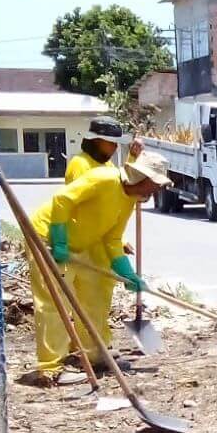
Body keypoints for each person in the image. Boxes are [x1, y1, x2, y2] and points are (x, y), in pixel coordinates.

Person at [26, 151, 172, 385]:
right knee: (55, 303)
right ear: (139, 177)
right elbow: (62, 200)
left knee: (94, 296)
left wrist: (127, 273)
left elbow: (113, 238)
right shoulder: (104, 178)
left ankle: (94, 355)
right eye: (153, 184)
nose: (155, 191)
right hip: (48, 238)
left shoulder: (129, 199)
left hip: (82, 242)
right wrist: (60, 241)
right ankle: (51, 368)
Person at [64, 117, 144, 334]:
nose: (114, 146)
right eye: (110, 142)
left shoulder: (106, 165)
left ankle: (98, 344)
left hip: (101, 242)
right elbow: (91, 208)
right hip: (85, 243)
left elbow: (122, 185)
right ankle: (90, 350)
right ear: (95, 140)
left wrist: (133, 158)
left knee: (101, 297)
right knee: (90, 299)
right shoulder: (80, 165)